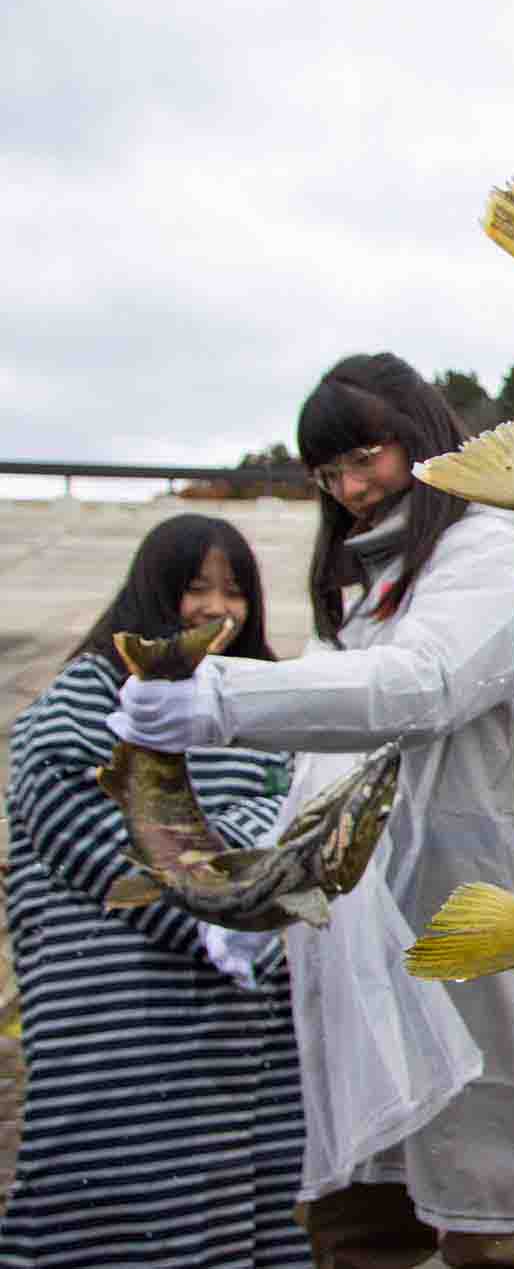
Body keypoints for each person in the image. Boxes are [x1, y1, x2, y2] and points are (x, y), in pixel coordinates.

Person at [112, 357, 514, 1269]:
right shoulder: (361, 587)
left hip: (466, 920)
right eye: (329, 473)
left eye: (367, 456)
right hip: (357, 938)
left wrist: (222, 700)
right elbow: (331, 760)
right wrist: (259, 896)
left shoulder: (490, 548)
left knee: (499, 1207)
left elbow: (424, 685)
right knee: (363, 1218)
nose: (352, 489)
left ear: (422, 434)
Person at [1, 514, 309, 1267]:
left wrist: (250, 862)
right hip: (124, 1035)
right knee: (126, 1218)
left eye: (234, 591)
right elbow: (106, 839)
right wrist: (233, 888)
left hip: (251, 1040)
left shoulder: (266, 703)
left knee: (261, 1219)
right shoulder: (78, 709)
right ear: (151, 592)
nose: (216, 608)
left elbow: (298, 817)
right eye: (193, 588)